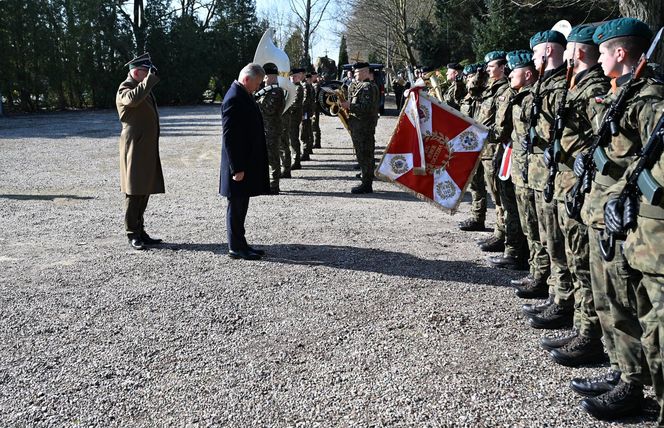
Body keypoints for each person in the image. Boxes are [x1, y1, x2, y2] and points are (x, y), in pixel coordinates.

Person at [573, 18, 662, 420]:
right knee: (613, 302)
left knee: (634, 307)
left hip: (635, 222)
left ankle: (637, 385)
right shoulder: (621, 95)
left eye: (604, 51)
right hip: (609, 212)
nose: (597, 58)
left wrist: (631, 186)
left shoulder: (648, 98)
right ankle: (625, 374)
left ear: (620, 53)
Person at [542, 24, 610, 367]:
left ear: (578, 52)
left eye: (568, 48)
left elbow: (603, 141)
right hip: (566, 179)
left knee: (582, 263)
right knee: (569, 253)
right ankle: (580, 324)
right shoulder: (576, 86)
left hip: (580, 185)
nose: (564, 53)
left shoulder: (594, 89)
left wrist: (579, 153)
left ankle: (588, 335)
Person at [523, 30, 575, 330]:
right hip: (544, 172)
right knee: (547, 238)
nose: (532, 59)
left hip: (558, 176)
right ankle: (557, 295)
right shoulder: (545, 84)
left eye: (535, 53)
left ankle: (563, 300)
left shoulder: (562, 86)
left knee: (558, 243)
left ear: (547, 52)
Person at [505, 51, 552, 301]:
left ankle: (542, 277)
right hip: (523, 169)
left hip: (536, 172)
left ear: (527, 74)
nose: (509, 74)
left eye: (515, 71)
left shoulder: (536, 96)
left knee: (539, 229)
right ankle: (536, 272)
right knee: (529, 226)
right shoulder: (520, 96)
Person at [219, 63, 270, 260]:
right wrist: (237, 167)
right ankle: (235, 247)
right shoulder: (234, 98)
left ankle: (241, 243)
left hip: (244, 163)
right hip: (238, 165)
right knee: (236, 205)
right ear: (247, 79)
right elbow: (230, 137)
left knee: (242, 205)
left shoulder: (242, 94)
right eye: (257, 84)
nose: (257, 88)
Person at [116, 52, 164, 251]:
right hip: (134, 148)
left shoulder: (141, 88)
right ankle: (132, 233)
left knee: (144, 190)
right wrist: (149, 81)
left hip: (145, 146)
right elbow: (132, 100)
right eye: (145, 72)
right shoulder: (125, 88)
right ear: (136, 72)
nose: (148, 75)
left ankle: (141, 230)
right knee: (134, 191)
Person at [340, 62, 379, 194]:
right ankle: (365, 175)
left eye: (356, 73)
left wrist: (349, 105)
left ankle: (367, 184)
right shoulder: (358, 86)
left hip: (364, 126)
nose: (354, 75)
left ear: (364, 72)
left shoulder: (368, 87)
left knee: (365, 154)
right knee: (361, 153)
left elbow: (366, 108)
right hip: (357, 125)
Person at [255, 62, 285, 194]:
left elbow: (269, 109)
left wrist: (255, 102)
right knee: (264, 157)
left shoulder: (276, 91)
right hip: (264, 129)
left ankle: (274, 185)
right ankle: (265, 183)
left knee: (273, 158)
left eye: (266, 76)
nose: (265, 79)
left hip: (272, 130)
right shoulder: (264, 91)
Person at [300, 71, 315, 161]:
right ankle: (308, 149)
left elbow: (305, 101)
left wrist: (301, 112)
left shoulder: (305, 85)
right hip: (307, 112)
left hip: (305, 112)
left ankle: (306, 152)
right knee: (307, 130)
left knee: (304, 131)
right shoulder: (306, 85)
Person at [311, 71, 322, 149]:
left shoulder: (316, 85)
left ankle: (317, 142)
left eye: (313, 76)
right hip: (313, 107)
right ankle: (315, 142)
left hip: (315, 107)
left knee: (314, 124)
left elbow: (315, 97)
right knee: (313, 124)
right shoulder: (312, 84)